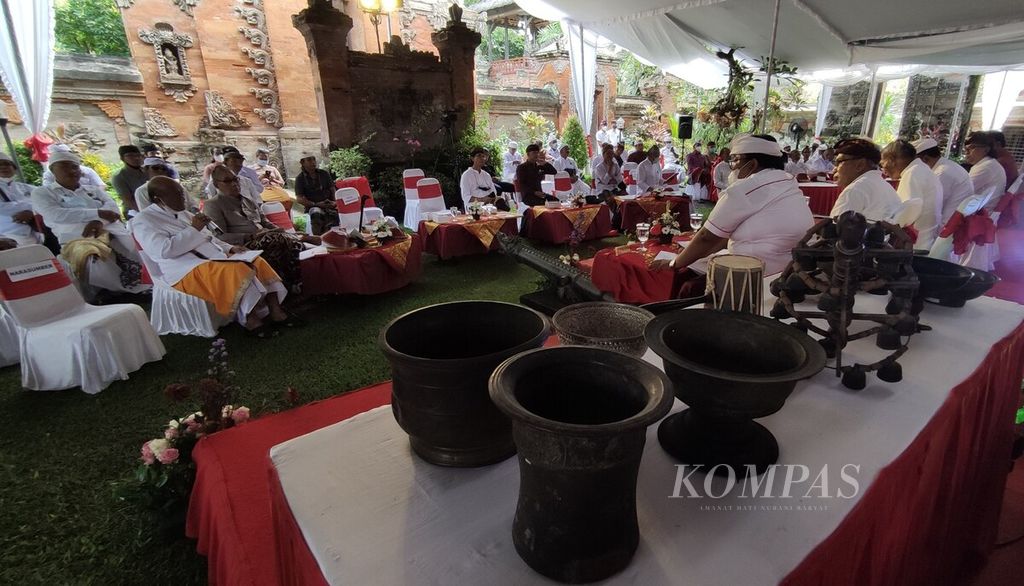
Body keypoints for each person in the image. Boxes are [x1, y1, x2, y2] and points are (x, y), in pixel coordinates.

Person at [132, 177, 296, 338]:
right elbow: (163, 251)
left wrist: (230, 248)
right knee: (238, 270)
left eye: (181, 192)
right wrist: (193, 229)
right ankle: (251, 321)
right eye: (176, 194)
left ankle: (276, 312)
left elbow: (210, 237)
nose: (183, 197)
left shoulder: (184, 214)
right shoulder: (143, 220)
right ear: (158, 199)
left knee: (257, 261)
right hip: (186, 268)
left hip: (214, 257)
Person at [652, 134, 812, 293]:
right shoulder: (788, 182)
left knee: (688, 287)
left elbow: (706, 237)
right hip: (791, 271)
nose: (732, 166)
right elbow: (722, 237)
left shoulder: (745, 189)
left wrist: (674, 263)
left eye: (735, 160)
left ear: (752, 164)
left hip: (755, 275)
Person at [31, 150, 147, 299]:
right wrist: (98, 213)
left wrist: (98, 221)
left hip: (110, 229)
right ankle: (118, 292)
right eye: (65, 166)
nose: (72, 170)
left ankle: (141, 286)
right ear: (53, 169)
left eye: (75, 167)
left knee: (136, 245)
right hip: (77, 237)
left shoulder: (92, 190)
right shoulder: (43, 193)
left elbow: (112, 208)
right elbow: (56, 214)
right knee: (94, 257)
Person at [204, 166, 318, 291]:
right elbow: (219, 236)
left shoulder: (248, 201)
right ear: (216, 184)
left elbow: (265, 222)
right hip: (243, 244)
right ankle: (291, 286)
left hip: (266, 236)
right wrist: (250, 236)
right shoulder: (213, 205)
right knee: (276, 239)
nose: (234, 183)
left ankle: (302, 283)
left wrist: (282, 230)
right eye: (227, 181)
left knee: (286, 240)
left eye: (235, 179)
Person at [881, 139, 943, 248]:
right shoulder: (922, 169)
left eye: (883, 164)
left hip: (917, 243)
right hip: (927, 237)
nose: (884, 170)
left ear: (891, 160)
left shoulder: (912, 173)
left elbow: (906, 213)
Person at [828, 138, 902, 221]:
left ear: (860, 165)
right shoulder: (883, 185)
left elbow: (834, 230)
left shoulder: (855, 189)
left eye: (839, 162)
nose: (835, 168)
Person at [914, 138, 973, 224]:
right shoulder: (946, 165)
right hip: (953, 221)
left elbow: (930, 207)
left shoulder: (942, 173)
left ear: (925, 159)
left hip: (945, 226)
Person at [0, 151, 39, 246]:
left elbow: (45, 203)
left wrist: (31, 212)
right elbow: (2, 208)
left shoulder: (29, 188)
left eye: (7, 164)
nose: (4, 167)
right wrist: (32, 208)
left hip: (36, 233)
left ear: (14, 168)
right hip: (6, 237)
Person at [293, 153, 338, 235]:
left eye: (314, 159)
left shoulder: (324, 174)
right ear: (302, 163)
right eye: (309, 160)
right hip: (313, 207)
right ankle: (318, 239)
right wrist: (316, 204)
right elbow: (299, 199)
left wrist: (335, 202)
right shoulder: (300, 178)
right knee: (316, 213)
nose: (313, 162)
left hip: (329, 204)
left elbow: (332, 189)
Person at [964, 132, 1008, 211]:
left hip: (978, 215)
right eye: (966, 149)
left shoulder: (986, 167)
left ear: (986, 149)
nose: (967, 152)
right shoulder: (989, 163)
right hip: (980, 210)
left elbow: (962, 191)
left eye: (971, 147)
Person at [41, 144, 105, 188]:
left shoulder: (87, 171)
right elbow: (48, 189)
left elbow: (100, 185)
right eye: (62, 166)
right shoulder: (49, 174)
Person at [110, 145, 147, 216]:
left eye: (138, 155)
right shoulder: (119, 177)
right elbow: (128, 200)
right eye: (130, 156)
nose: (136, 158)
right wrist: (147, 213)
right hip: (133, 210)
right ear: (122, 158)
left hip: (150, 205)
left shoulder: (147, 171)